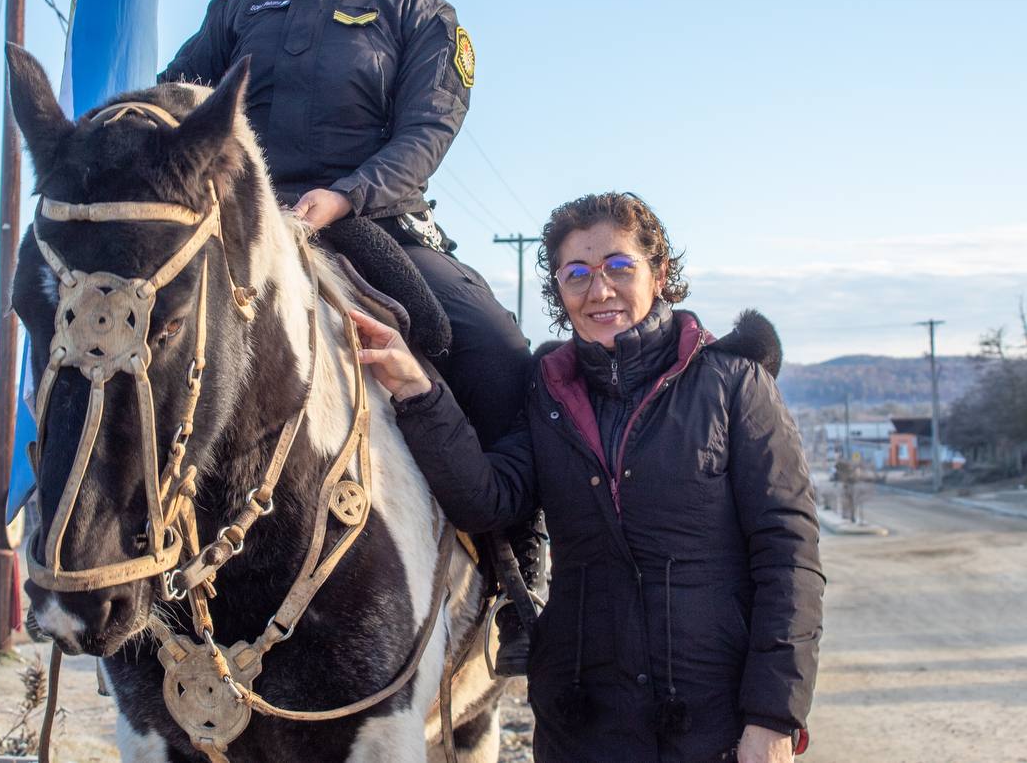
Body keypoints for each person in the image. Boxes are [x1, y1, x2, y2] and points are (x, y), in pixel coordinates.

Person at [158, 0, 537, 668]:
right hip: (242, 223)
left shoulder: (424, 15)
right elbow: (175, 97)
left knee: (497, 347)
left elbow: (425, 136)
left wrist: (341, 198)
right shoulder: (244, 5)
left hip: (372, 224)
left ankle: (520, 568)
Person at [353, 192, 824, 763]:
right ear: (558, 289)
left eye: (619, 267)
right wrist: (416, 390)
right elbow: (488, 500)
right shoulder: (547, 393)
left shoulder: (732, 386)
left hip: (713, 724)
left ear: (660, 273)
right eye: (576, 274)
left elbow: (788, 558)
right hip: (584, 725)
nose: (599, 291)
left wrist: (774, 716)